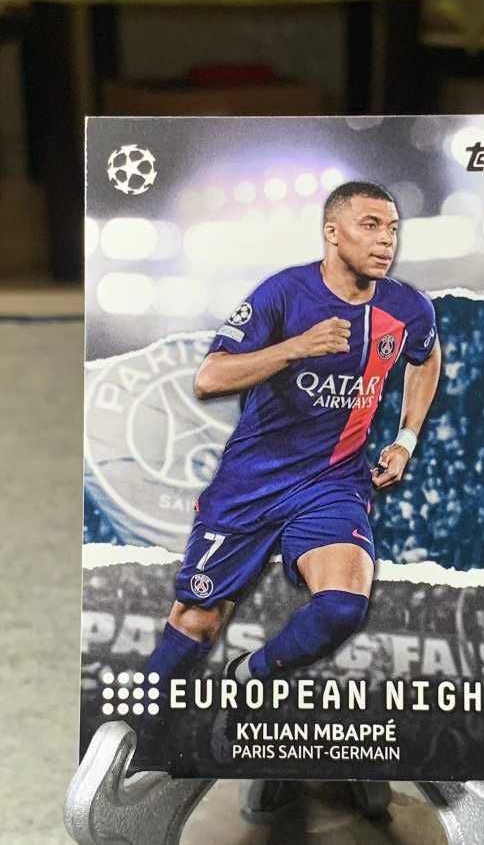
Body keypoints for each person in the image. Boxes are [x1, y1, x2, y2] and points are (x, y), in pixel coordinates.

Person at [133, 180, 441, 771]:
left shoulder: (408, 309)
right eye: (370, 225)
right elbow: (210, 377)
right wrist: (295, 347)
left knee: (342, 607)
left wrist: (406, 438)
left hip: (333, 482)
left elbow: (425, 358)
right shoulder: (283, 293)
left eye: (392, 228)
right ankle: (140, 747)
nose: (386, 241)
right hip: (252, 482)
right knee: (197, 621)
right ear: (332, 232)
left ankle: (247, 679)